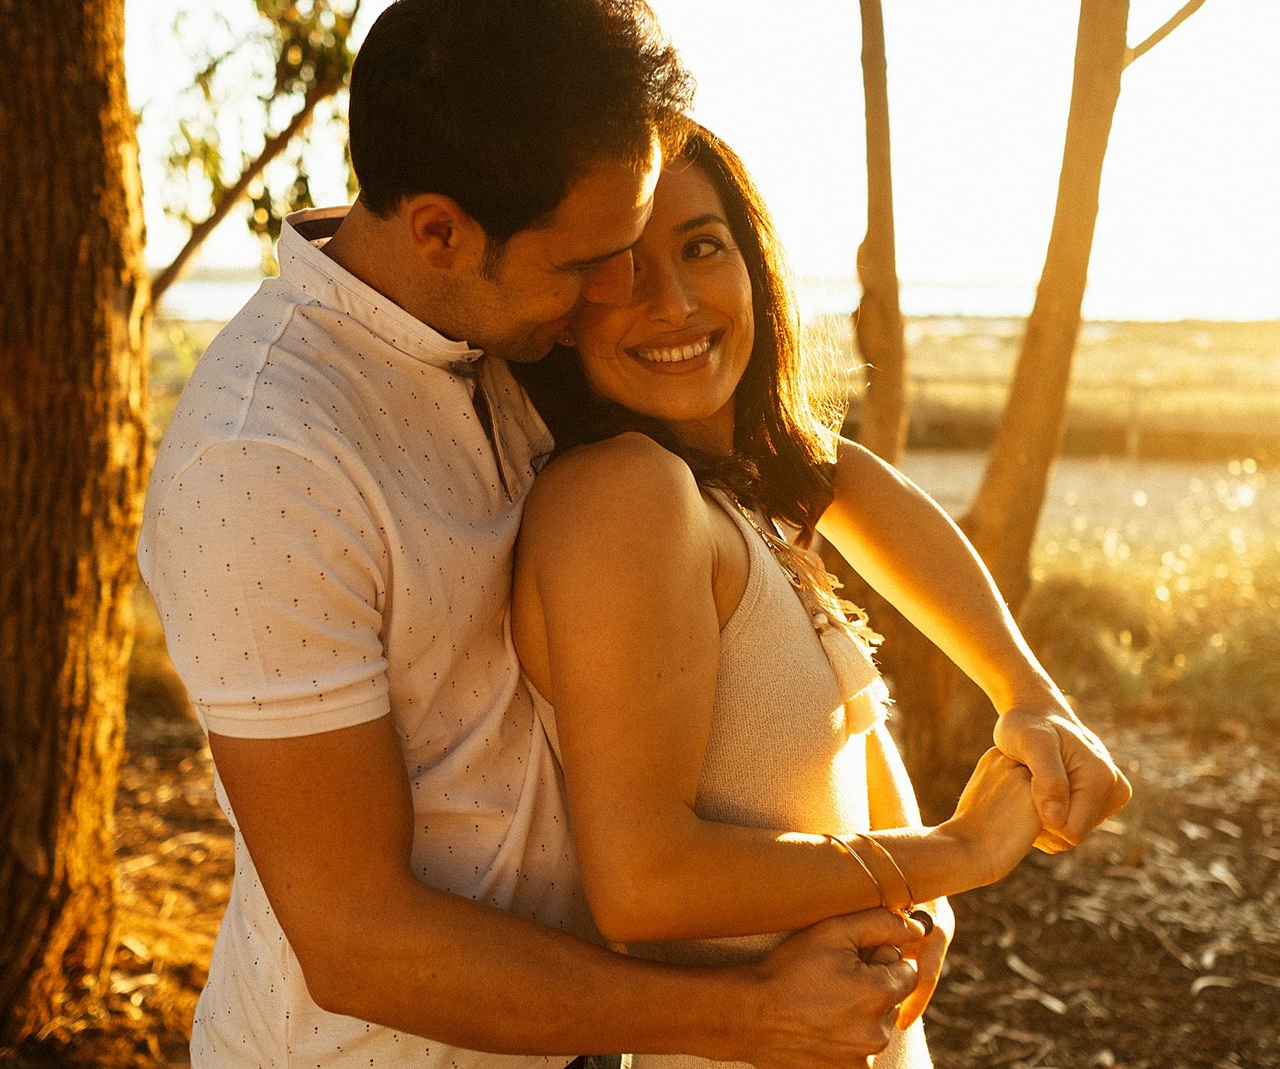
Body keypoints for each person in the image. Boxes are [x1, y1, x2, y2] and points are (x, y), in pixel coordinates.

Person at [139, 2, 932, 1067]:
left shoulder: (494, 319)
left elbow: (795, 459)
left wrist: (1022, 689)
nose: (617, 293)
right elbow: (354, 939)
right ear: (437, 231)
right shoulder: (265, 461)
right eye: (586, 263)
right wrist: (752, 1013)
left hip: (584, 1033)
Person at [509, 126, 1132, 1068]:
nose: (672, 301)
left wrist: (1029, 693)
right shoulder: (623, 496)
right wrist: (956, 852)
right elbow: (643, 880)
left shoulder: (740, 501)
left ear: (755, 263)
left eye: (702, 246)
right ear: (561, 306)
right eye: (619, 268)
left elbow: (842, 476)